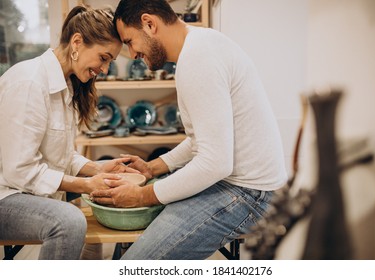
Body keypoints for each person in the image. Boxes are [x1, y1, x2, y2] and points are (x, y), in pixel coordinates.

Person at [91, 0, 288, 260]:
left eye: (129, 41)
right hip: (244, 186)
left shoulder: (198, 57)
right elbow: (204, 140)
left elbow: (215, 162)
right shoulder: (201, 45)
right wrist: (153, 168)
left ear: (150, 24)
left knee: (134, 265)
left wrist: (142, 195)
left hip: (249, 196)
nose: (132, 53)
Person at [0, 5, 136, 260]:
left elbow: (61, 156)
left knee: (114, 190)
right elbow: (20, 171)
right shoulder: (29, 82)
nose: (105, 69)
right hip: (6, 194)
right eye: (103, 58)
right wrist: (85, 183)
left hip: (23, 187)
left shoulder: (66, 86)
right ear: (76, 42)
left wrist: (99, 169)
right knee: (69, 221)